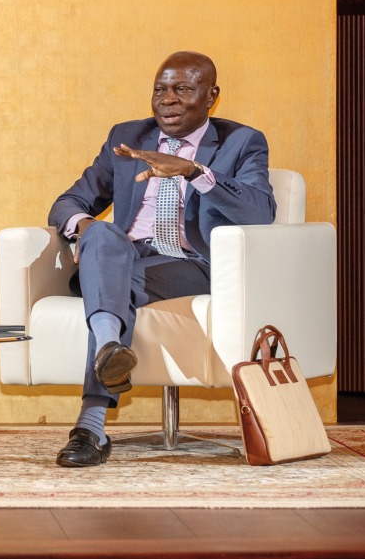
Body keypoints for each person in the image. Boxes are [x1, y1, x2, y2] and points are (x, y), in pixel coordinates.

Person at [48, 51, 275, 467]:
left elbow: (260, 211)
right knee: (99, 232)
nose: (167, 99)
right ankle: (110, 349)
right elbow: (69, 203)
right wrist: (85, 231)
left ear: (212, 96)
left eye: (183, 89)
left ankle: (90, 423)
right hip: (125, 258)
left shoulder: (242, 141)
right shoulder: (127, 137)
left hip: (193, 265)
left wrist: (193, 171)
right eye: (160, 89)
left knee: (113, 283)